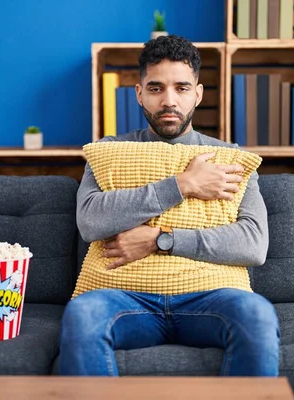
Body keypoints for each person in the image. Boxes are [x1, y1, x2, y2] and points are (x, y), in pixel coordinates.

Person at [58, 35, 280, 376]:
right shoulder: (108, 152)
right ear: (139, 93)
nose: (169, 100)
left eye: (181, 87)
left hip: (210, 298)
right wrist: (183, 184)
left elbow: (254, 243)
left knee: (257, 313)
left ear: (198, 93)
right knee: (82, 314)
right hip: (126, 300)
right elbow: (90, 221)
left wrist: (162, 239)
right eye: (157, 88)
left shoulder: (230, 156)